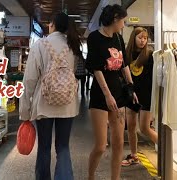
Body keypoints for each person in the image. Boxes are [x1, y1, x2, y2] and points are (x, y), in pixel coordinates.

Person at [19, 12, 81, 180]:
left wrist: (24, 110)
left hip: (44, 105)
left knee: (44, 147)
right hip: (67, 104)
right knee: (63, 147)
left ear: (52, 24)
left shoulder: (40, 45)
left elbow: (30, 79)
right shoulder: (73, 45)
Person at [86, 4, 138, 180]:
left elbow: (124, 66)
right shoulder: (94, 38)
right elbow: (96, 68)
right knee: (101, 145)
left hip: (119, 93)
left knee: (118, 144)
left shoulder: (118, 38)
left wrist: (131, 89)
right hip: (101, 94)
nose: (124, 24)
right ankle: (91, 176)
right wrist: (107, 95)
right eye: (123, 20)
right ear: (115, 18)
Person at [122, 27, 157, 166]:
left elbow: (154, 80)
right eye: (140, 38)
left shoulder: (150, 55)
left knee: (144, 128)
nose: (143, 41)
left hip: (146, 96)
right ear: (133, 38)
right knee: (130, 127)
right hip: (131, 95)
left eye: (145, 38)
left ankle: (168, 149)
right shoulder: (127, 54)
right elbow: (123, 76)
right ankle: (134, 155)